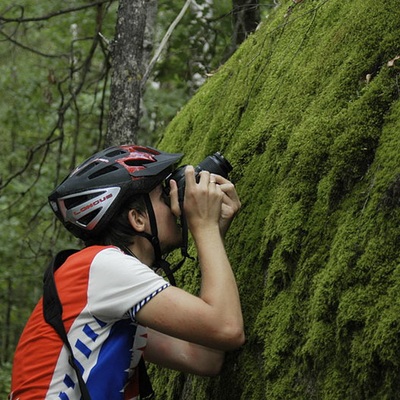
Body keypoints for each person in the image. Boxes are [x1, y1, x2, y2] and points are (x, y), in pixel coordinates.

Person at [10, 144, 245, 399]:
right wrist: (205, 227)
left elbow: (204, 357)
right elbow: (227, 329)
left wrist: (213, 234)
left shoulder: (109, 298)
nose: (177, 201)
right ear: (138, 219)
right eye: (164, 194)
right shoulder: (103, 266)